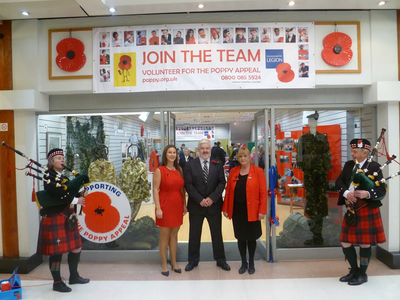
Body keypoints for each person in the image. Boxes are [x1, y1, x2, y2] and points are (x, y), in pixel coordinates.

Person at [37, 148, 89, 293]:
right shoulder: (48, 176)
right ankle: (57, 282)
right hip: (54, 216)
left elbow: (67, 191)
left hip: (66, 215)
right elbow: (57, 194)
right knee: (56, 253)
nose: (62, 160)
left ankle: (74, 276)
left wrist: (79, 193)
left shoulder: (61, 175)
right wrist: (76, 199)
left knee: (76, 247)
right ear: (51, 162)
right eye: (59, 158)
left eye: (62, 157)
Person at [335, 139, 386, 285]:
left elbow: (382, 190)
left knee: (365, 244)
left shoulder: (375, 167)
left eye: (355, 152)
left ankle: (363, 274)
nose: (352, 154)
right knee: (345, 242)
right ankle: (354, 271)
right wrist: (345, 193)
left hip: (366, 208)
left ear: (365, 153)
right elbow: (339, 182)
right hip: (351, 208)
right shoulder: (349, 165)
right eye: (352, 151)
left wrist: (367, 194)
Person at [184, 139, 230, 271]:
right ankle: (192, 261)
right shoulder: (190, 165)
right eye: (202, 148)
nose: (205, 150)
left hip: (214, 206)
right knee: (194, 234)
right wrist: (200, 199)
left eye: (207, 148)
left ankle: (221, 260)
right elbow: (188, 184)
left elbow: (222, 183)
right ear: (198, 150)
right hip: (196, 206)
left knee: (217, 234)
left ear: (210, 149)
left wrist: (212, 198)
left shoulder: (218, 164)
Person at [223, 147, 266, 274]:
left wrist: (262, 210)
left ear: (249, 157)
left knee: (251, 237)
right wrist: (226, 208)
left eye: (245, 156)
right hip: (238, 211)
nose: (242, 159)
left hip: (253, 210)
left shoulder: (258, 172)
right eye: (240, 157)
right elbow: (229, 192)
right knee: (240, 237)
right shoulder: (233, 171)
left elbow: (263, 193)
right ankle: (243, 262)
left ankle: (251, 262)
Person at [297, 112, 332, 246]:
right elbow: (299, 156)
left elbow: (327, 154)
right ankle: (314, 234)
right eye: (311, 122)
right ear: (308, 123)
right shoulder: (303, 138)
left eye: (315, 122)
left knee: (321, 202)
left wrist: (324, 167)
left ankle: (320, 234)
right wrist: (305, 168)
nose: (313, 124)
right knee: (311, 203)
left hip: (321, 175)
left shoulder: (323, 138)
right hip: (310, 175)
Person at [153, 145, 186, 276]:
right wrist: (158, 208)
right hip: (164, 205)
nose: (172, 155)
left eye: (174, 152)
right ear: (165, 155)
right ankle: (164, 263)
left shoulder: (179, 169)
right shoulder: (159, 170)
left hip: (177, 204)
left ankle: (174, 261)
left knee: (174, 235)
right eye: (169, 152)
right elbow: (155, 190)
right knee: (164, 236)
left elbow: (182, 189)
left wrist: (184, 204)